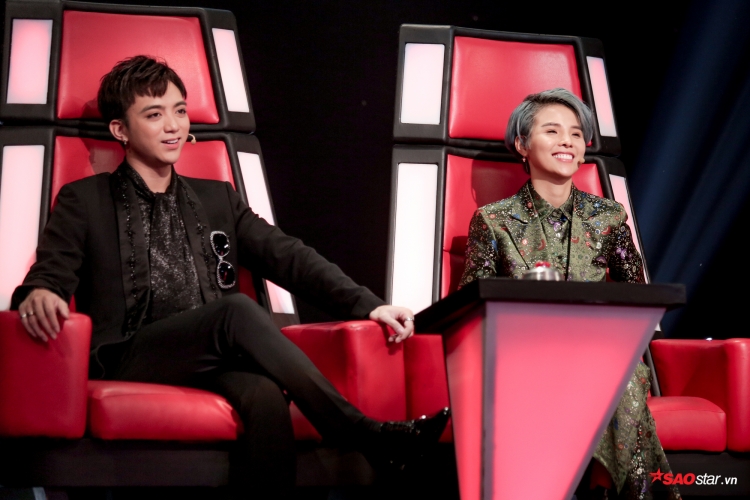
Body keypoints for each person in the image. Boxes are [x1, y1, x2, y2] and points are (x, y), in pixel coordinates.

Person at [11, 56, 448, 499]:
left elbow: (289, 256)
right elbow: (51, 269)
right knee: (236, 310)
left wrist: (367, 304)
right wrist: (41, 291)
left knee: (263, 394)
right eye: (154, 114)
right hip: (129, 354)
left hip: (209, 357)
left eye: (180, 111)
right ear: (120, 129)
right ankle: (363, 434)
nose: (173, 126)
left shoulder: (216, 198)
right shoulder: (85, 199)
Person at [459, 88, 679, 500]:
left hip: (601, 353)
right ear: (522, 145)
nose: (568, 141)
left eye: (576, 134)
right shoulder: (493, 220)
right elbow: (469, 307)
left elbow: (640, 297)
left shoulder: (608, 217)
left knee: (620, 373)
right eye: (553, 131)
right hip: (525, 358)